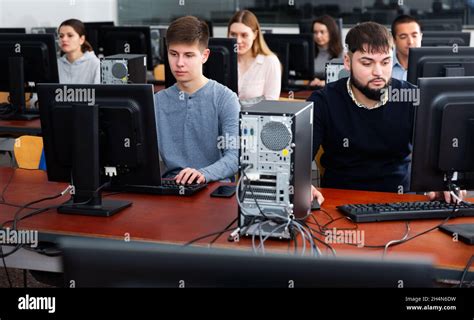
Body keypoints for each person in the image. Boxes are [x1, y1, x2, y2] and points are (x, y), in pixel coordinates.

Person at [309, 22, 466, 204]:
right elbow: (300, 161)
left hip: (399, 201)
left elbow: (435, 155)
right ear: (347, 62)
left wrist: (443, 184)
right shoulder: (324, 100)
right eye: (367, 63)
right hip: (338, 201)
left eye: (385, 62)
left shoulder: (411, 97)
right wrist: (302, 183)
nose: (378, 72)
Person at [154, 16, 239, 185]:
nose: (179, 63)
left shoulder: (226, 98)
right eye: (173, 54)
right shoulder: (157, 101)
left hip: (213, 188)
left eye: (189, 55)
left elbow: (235, 157)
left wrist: (203, 173)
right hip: (172, 188)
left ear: (204, 56)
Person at [227, 10, 281, 101]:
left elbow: (271, 102)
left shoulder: (270, 61)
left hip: (256, 115)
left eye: (244, 35)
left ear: (255, 35)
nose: (238, 41)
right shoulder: (224, 60)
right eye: (233, 34)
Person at [57, 18, 100, 84]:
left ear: (81, 39)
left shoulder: (96, 64)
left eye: (70, 35)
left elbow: (99, 93)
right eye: (61, 36)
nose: (64, 39)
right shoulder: (56, 65)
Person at [309, 15, 343, 88]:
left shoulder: (341, 54)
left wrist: (326, 82)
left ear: (331, 33)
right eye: (315, 32)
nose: (318, 36)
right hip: (309, 90)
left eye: (322, 32)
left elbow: (344, 80)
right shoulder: (308, 53)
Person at [391, 15, 423, 81]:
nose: (410, 42)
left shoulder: (430, 65)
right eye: (403, 37)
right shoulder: (384, 64)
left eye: (414, 36)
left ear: (421, 37)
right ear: (394, 40)